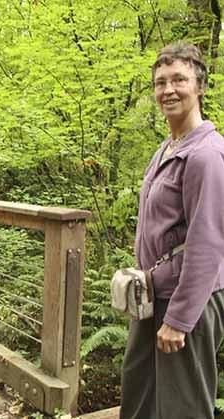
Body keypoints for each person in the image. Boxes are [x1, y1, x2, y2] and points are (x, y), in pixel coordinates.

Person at [121, 42, 224, 419]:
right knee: (140, 397)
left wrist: (179, 319)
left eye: (179, 79)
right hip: (153, 298)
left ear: (199, 85)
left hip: (186, 303)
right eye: (160, 82)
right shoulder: (167, 148)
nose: (168, 90)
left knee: (182, 408)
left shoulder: (207, 156)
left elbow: (208, 245)